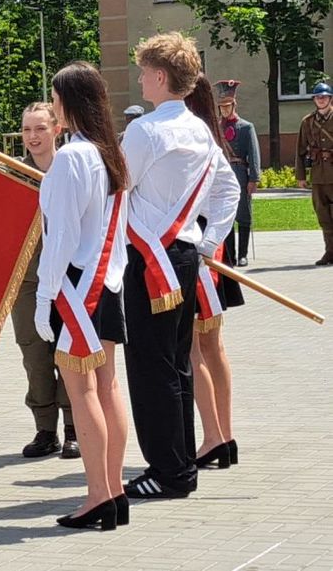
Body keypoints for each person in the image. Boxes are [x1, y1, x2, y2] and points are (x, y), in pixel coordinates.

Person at [121, 33, 239, 500]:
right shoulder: (200, 131)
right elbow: (228, 190)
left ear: (159, 76)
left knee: (152, 368)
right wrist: (208, 243)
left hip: (149, 259)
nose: (139, 80)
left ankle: (169, 471)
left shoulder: (145, 131)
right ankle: (181, 463)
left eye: (143, 72)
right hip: (185, 256)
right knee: (176, 364)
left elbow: (118, 187)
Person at [35, 63, 131, 531]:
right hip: (106, 281)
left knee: (83, 391)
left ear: (67, 101)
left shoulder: (73, 156)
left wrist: (44, 295)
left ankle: (98, 496)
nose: (53, 105)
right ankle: (113, 491)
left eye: (55, 98)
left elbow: (62, 236)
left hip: (76, 285)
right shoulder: (108, 151)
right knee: (108, 387)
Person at [10, 102, 79, 460]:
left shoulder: (70, 169)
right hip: (27, 281)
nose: (33, 137)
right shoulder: (12, 174)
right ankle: (45, 430)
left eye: (40, 128)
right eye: (27, 130)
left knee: (67, 353)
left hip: (67, 278)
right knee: (34, 355)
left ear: (57, 130)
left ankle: (74, 428)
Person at [185, 75, 245, 470]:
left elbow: (228, 193)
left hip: (198, 248)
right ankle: (224, 435)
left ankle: (213, 437)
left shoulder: (193, 140)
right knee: (213, 346)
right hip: (210, 244)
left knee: (195, 348)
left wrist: (207, 244)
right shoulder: (209, 136)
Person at [215, 80, 261, 266]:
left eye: (227, 106)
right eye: (222, 107)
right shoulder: (216, 127)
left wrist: (254, 179)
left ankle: (242, 254)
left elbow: (254, 154)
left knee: (243, 215)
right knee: (226, 217)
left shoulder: (246, 127)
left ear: (234, 105)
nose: (224, 110)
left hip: (240, 174)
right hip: (221, 175)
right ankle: (229, 256)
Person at [295, 81, 333, 265]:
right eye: (318, 97)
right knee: (323, 216)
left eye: (324, 97)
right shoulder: (307, 122)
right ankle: (330, 252)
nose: (321, 100)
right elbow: (300, 150)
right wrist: (301, 176)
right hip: (318, 175)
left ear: (330, 99)